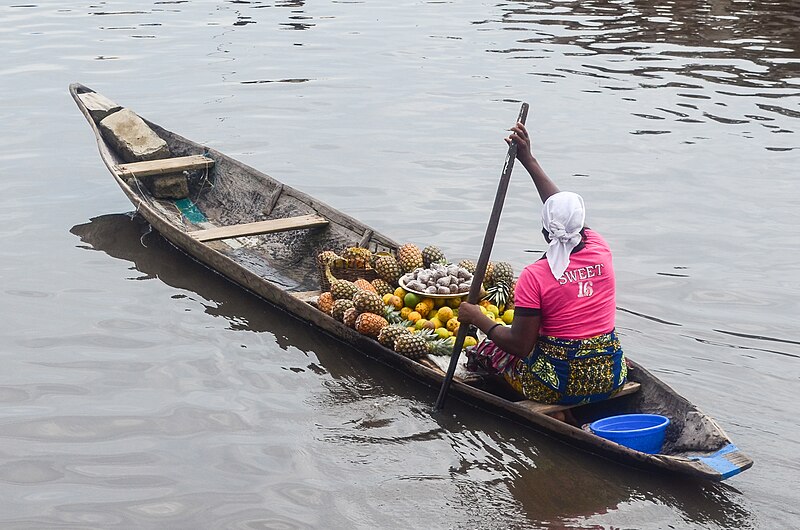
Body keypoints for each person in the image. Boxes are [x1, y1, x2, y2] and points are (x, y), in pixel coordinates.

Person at [457, 122, 627, 419]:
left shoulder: (534, 276)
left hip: (556, 385)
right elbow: (565, 212)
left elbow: (520, 346)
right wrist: (528, 160)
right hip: (611, 375)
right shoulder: (599, 246)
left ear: (545, 230)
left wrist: (477, 317)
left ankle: (556, 412)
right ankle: (575, 414)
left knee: (489, 353)